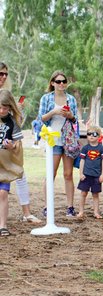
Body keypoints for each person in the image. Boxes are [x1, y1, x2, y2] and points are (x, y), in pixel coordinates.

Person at [0, 62, 40, 223]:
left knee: (20, 173)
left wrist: (17, 109)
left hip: (7, 147)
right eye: (0, 73)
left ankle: (27, 212)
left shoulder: (6, 93)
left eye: (5, 74)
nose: (3, 77)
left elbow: (15, 124)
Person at [38, 70, 79, 217]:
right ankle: (47, 206)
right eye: (58, 81)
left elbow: (75, 121)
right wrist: (54, 111)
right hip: (52, 140)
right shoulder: (46, 98)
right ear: (52, 83)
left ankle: (70, 207)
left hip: (68, 140)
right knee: (51, 173)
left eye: (64, 81)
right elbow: (41, 118)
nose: (61, 84)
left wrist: (70, 116)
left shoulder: (71, 99)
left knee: (68, 174)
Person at [0, 90, 24, 236]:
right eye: (0, 107)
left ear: (10, 107)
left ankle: (2, 225)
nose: (2, 110)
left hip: (4, 164)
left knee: (3, 193)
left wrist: (12, 146)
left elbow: (17, 143)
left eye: (5, 107)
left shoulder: (12, 122)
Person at [77, 126, 103, 218]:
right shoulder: (85, 148)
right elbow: (82, 161)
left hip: (96, 176)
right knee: (83, 193)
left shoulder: (101, 148)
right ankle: (81, 211)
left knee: (95, 194)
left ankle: (96, 212)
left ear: (99, 136)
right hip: (86, 175)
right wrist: (81, 173)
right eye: (89, 134)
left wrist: (102, 175)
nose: (91, 136)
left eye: (94, 134)